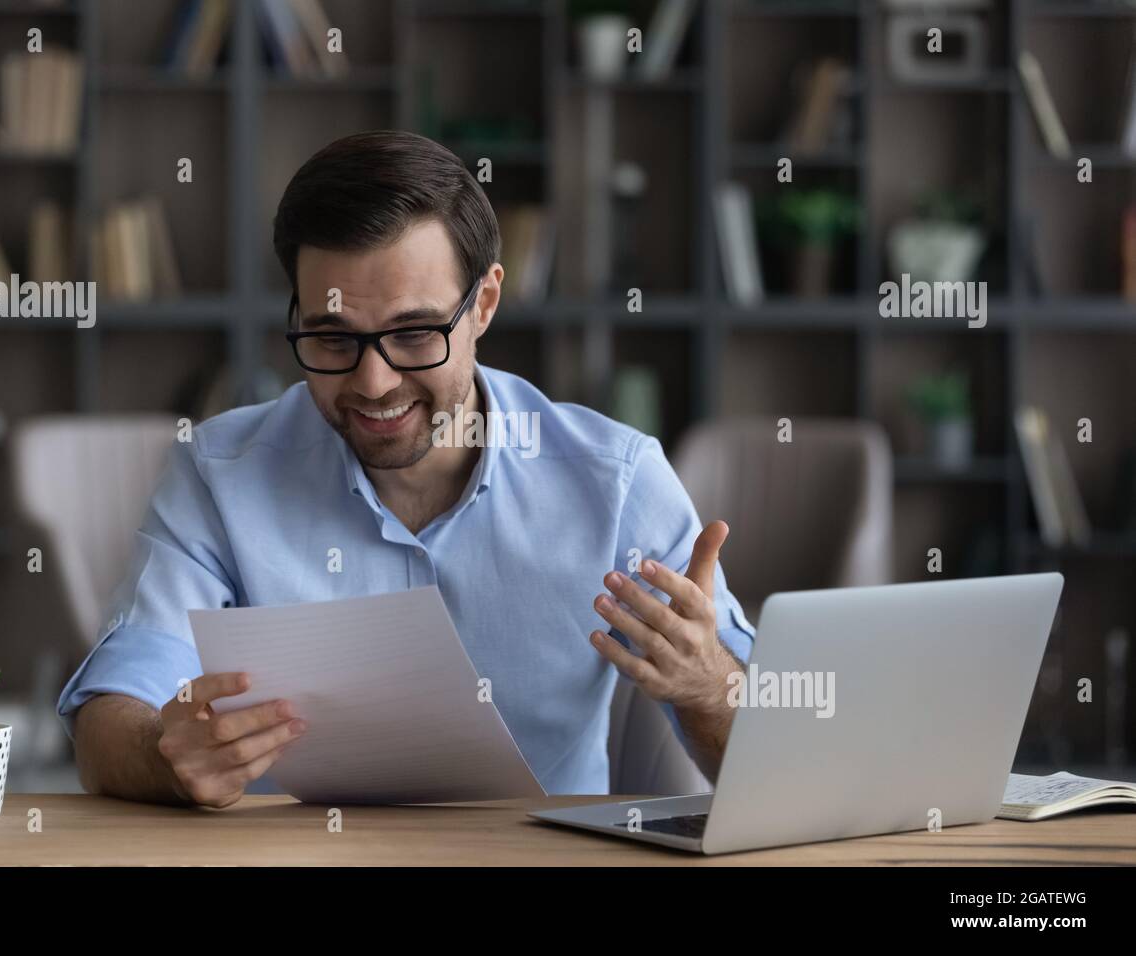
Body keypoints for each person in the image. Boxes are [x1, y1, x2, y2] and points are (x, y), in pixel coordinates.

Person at [59, 130, 754, 808]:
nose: (374, 381)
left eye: (414, 333)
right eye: (332, 337)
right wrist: (163, 755)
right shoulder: (219, 475)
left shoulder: (616, 481)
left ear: (483, 304)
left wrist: (708, 684)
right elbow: (106, 722)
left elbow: (766, 761)